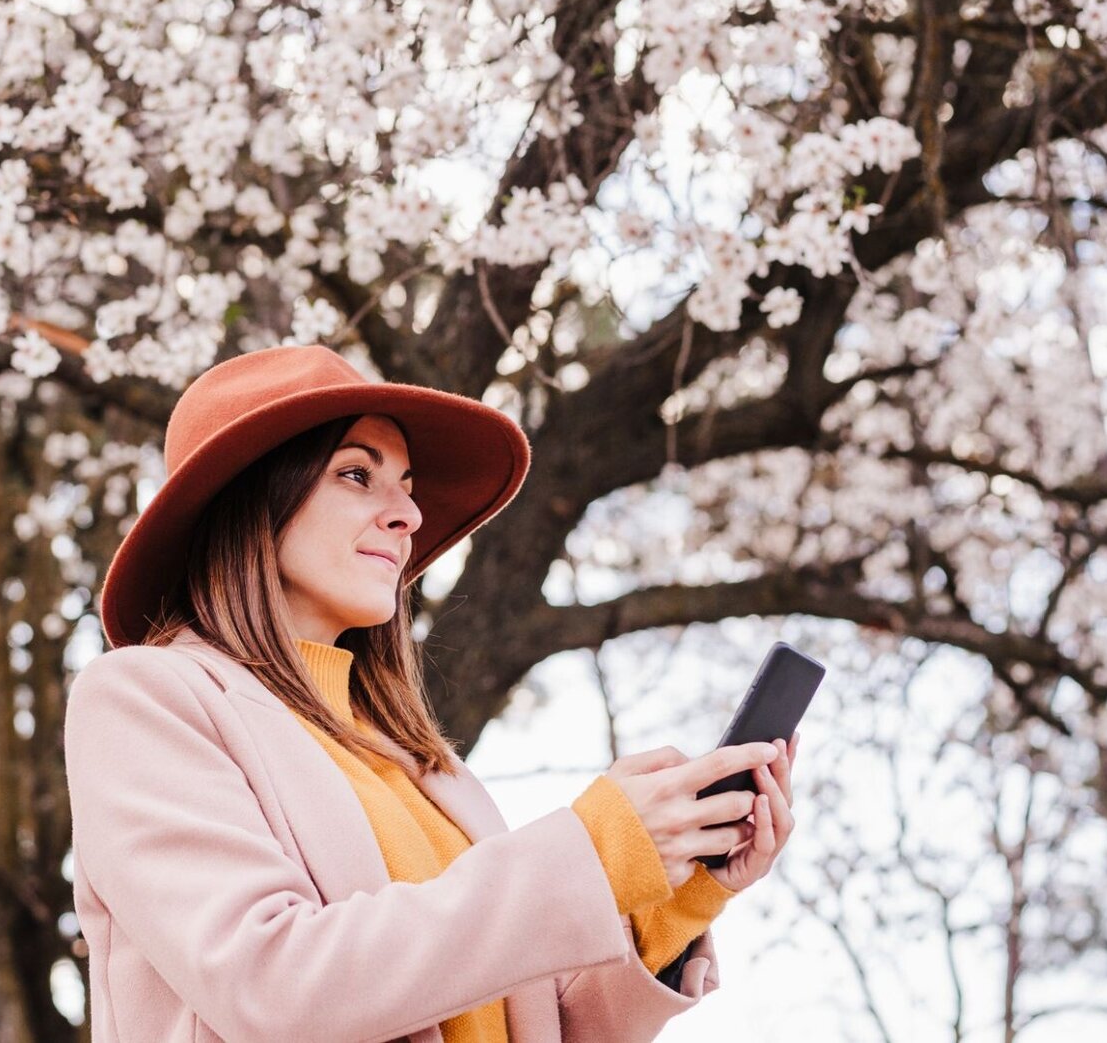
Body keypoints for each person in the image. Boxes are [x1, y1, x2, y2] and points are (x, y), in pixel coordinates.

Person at [63, 344, 798, 1042]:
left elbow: (521, 1022)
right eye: (358, 475)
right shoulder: (142, 700)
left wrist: (671, 899)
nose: (408, 516)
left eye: (408, 488)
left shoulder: (429, 769)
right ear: (254, 497)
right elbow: (272, 983)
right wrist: (596, 849)